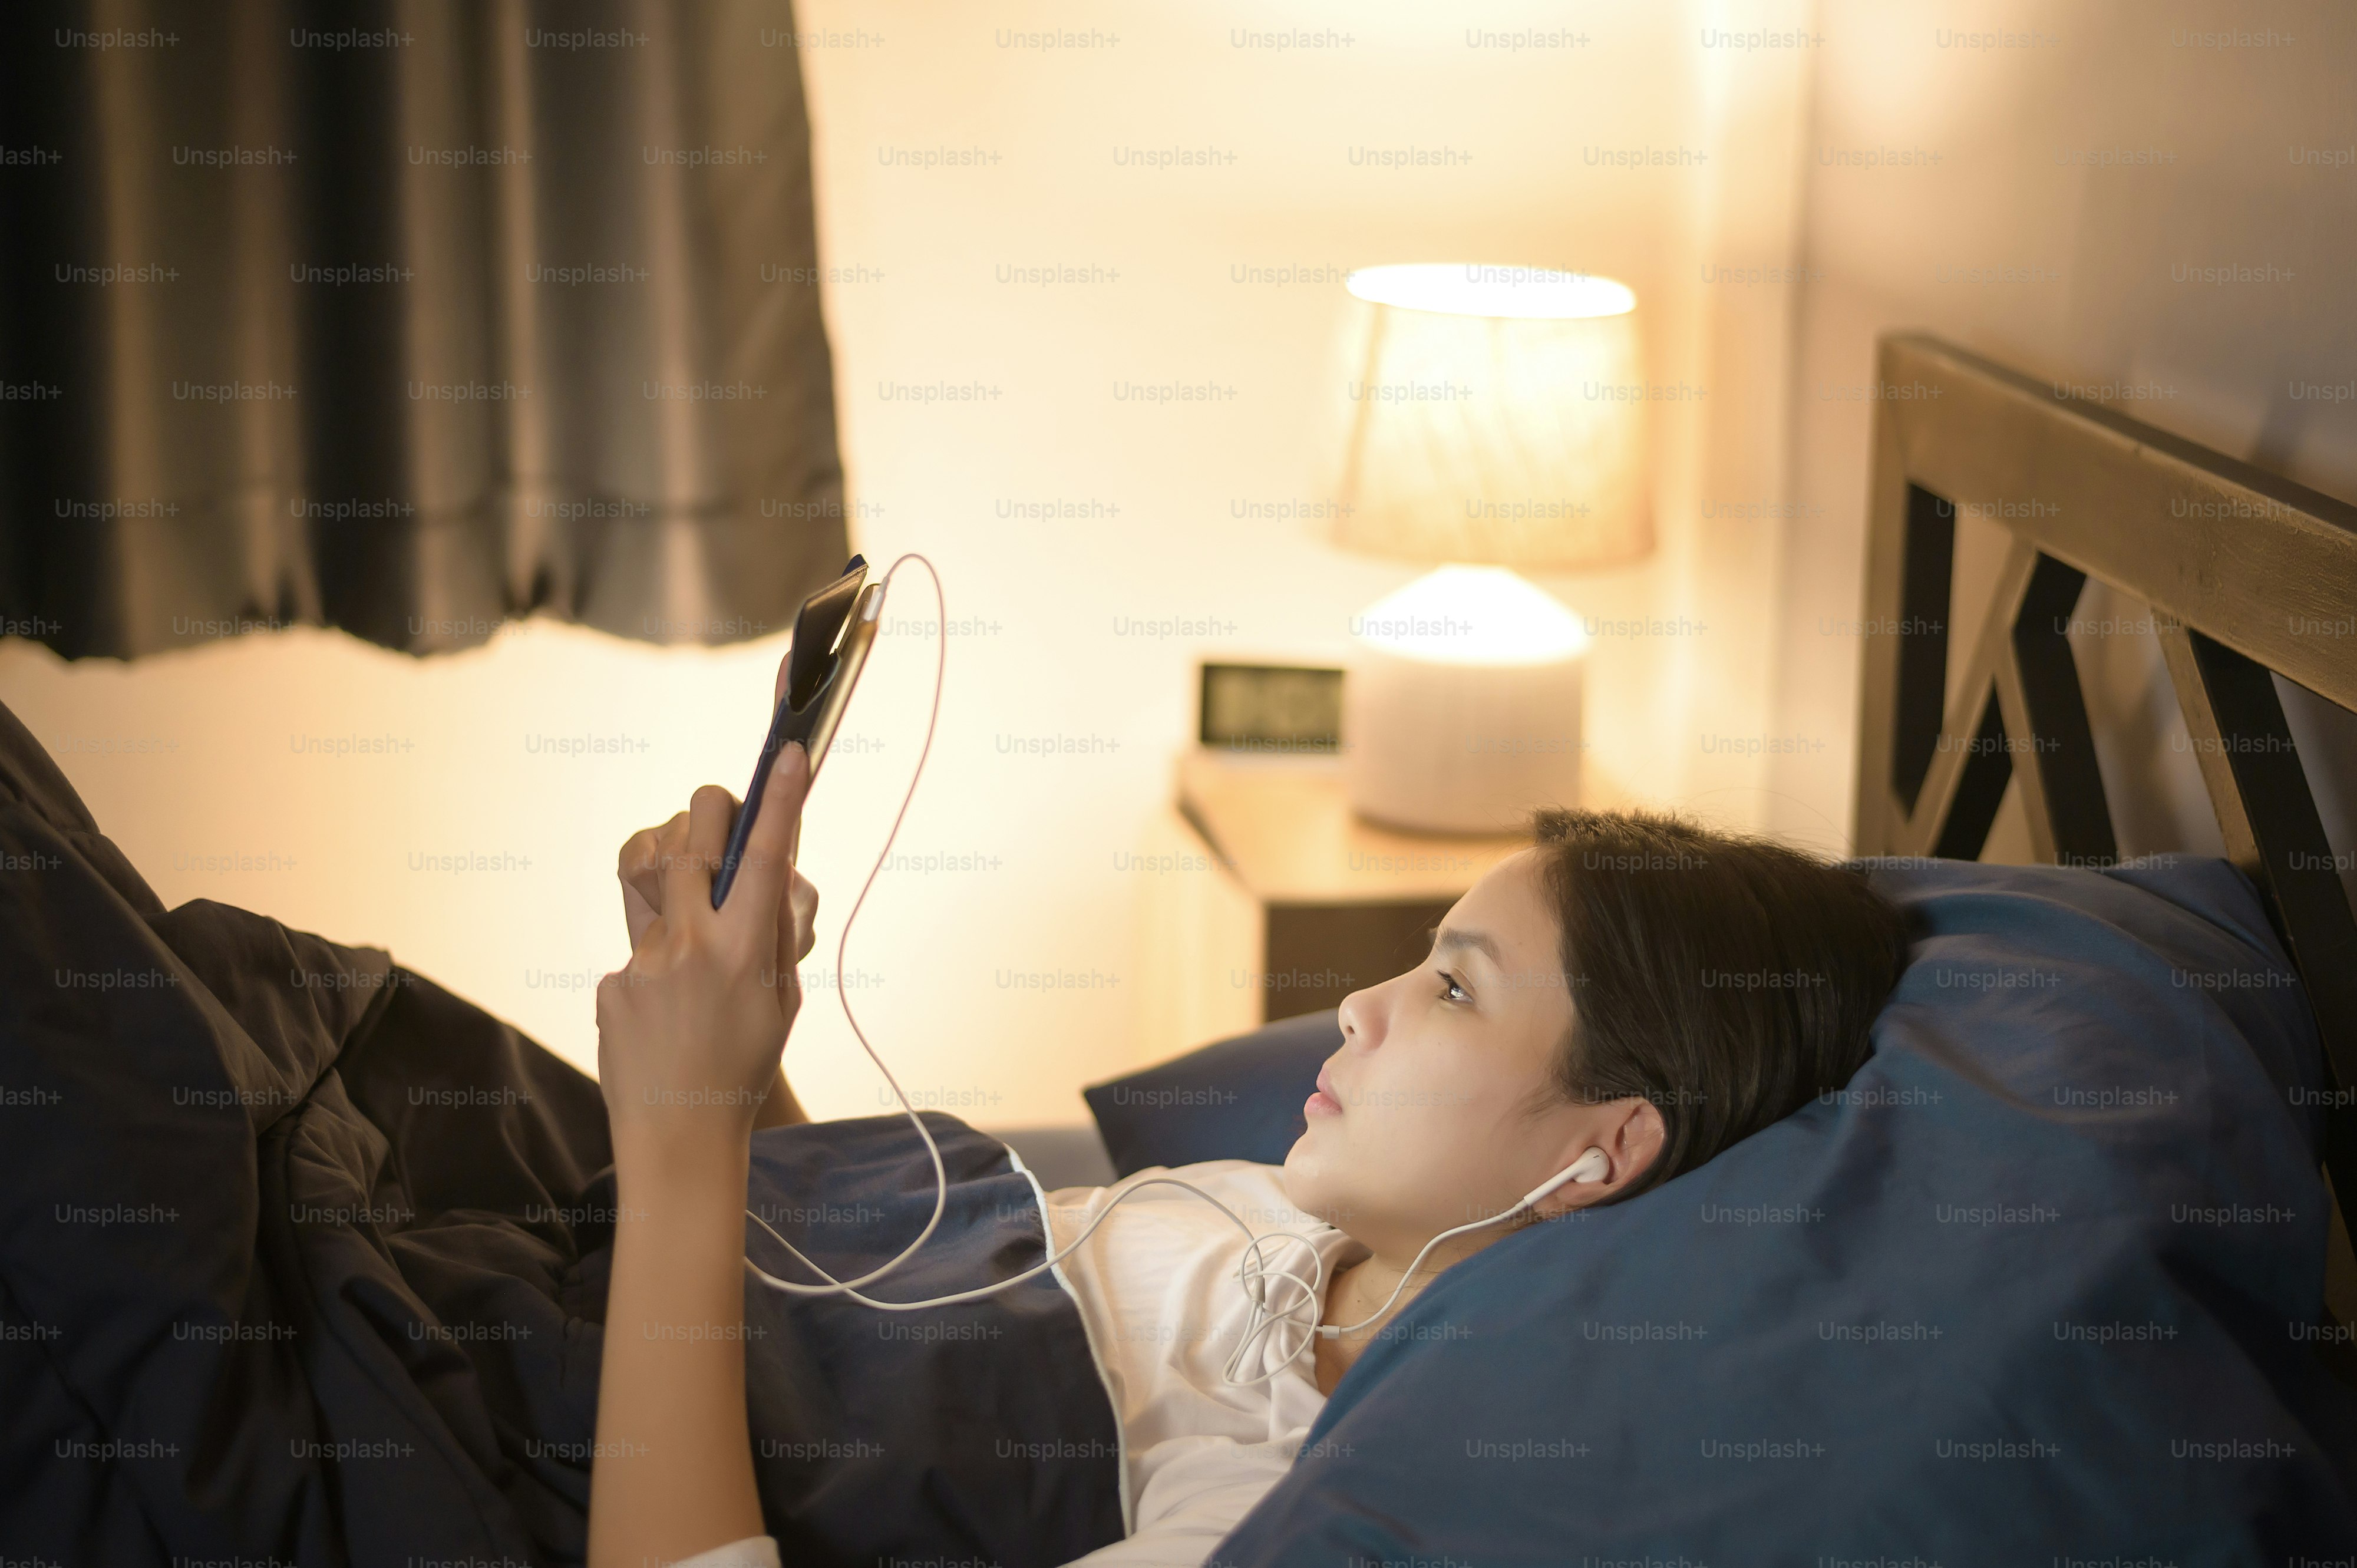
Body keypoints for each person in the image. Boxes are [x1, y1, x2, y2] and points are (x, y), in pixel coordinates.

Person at [583, 667, 1912, 1568]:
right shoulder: (1292, 1214)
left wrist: (678, 1139)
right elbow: (842, 1315)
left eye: (1451, 986)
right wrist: (738, 1055)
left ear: (1597, 1151)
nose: (1354, 1007)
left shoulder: (1286, 1487)